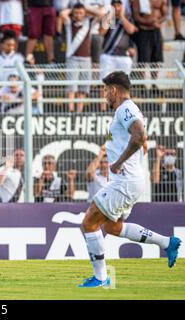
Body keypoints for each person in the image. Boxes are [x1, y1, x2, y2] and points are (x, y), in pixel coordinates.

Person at [78, 71, 181, 288]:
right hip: (130, 181)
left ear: (114, 89)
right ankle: (167, 242)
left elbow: (140, 136)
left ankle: (100, 278)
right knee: (113, 228)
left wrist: (118, 163)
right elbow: (141, 140)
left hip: (124, 181)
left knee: (89, 223)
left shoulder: (125, 108)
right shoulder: (128, 110)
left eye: (106, 90)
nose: (105, 95)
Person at [99, 0, 136, 111]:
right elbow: (101, 32)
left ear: (122, 6)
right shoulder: (108, 18)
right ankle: (103, 109)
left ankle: (123, 108)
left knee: (123, 84)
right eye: (114, 5)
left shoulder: (128, 18)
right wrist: (110, 17)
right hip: (108, 55)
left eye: (118, 5)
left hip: (123, 57)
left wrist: (122, 18)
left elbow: (131, 30)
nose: (116, 7)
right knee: (105, 83)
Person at [60, 3, 97, 113]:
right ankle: (70, 109)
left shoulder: (88, 23)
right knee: (71, 86)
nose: (78, 15)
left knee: (83, 87)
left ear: (84, 13)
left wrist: (87, 9)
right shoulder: (69, 23)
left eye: (81, 13)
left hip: (86, 59)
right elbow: (62, 13)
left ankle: (79, 110)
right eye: (76, 13)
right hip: (73, 58)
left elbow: (101, 14)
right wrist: (72, 10)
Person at [131, 0, 167, 65]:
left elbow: (165, 14)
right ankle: (141, 75)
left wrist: (158, 22)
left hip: (156, 31)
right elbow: (136, 17)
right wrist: (149, 22)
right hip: (143, 31)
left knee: (157, 60)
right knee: (143, 61)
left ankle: (155, 75)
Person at [25, 0, 56, 64]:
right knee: (33, 34)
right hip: (34, 6)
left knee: (49, 33)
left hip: (49, 6)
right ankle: (27, 59)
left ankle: (51, 60)